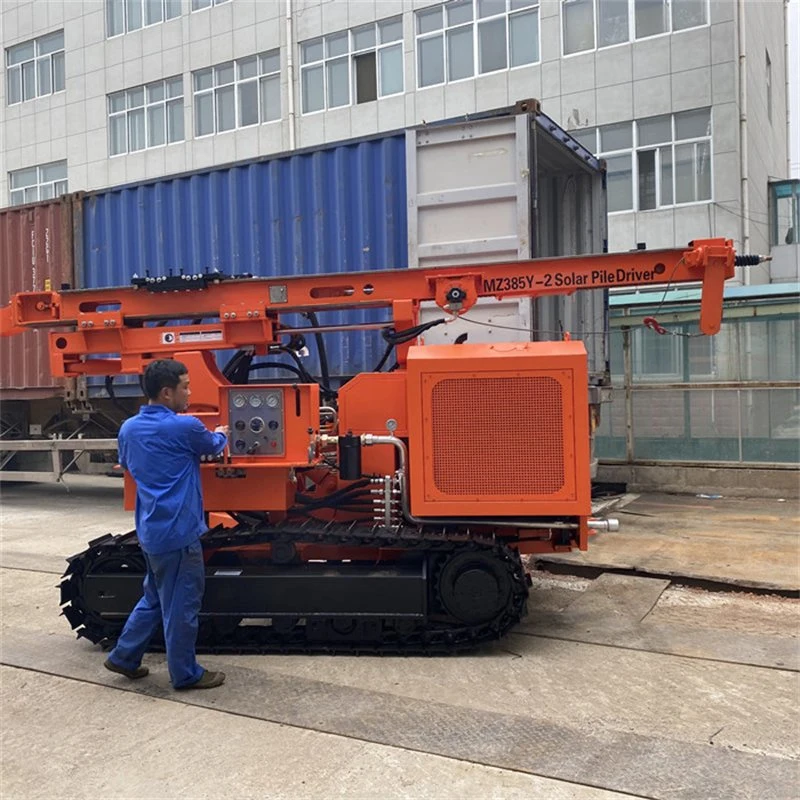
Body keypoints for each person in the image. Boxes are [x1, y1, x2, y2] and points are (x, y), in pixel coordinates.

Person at [103, 359, 230, 690]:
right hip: (179, 533)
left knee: (155, 599)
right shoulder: (185, 426)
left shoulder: (128, 428)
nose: (190, 393)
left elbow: (129, 465)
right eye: (186, 387)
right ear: (166, 392)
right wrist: (222, 433)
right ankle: (186, 674)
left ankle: (123, 657)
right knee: (182, 607)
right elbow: (214, 447)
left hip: (150, 530)